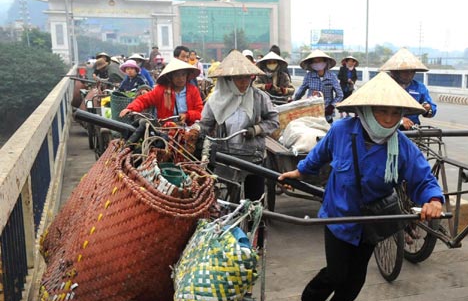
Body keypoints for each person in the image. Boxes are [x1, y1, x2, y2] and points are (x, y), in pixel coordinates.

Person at [278, 72, 444, 301]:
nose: (389, 120)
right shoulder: (342, 131)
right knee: (336, 273)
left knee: (356, 279)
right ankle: (311, 300)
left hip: (371, 220)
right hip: (338, 216)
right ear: (366, 110)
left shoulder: (401, 145)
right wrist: (299, 172)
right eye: (382, 111)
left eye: (395, 113)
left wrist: (433, 199)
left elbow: (422, 177)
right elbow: (319, 156)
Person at [199, 49, 279, 207]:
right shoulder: (216, 99)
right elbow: (205, 125)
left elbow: (274, 121)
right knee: (219, 202)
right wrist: (194, 133)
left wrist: (255, 130)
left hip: (252, 156)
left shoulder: (259, 97)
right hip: (225, 156)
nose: (244, 82)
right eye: (238, 78)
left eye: (246, 78)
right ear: (228, 79)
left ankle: (256, 228)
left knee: (254, 204)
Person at [119, 58, 203, 125]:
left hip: (188, 127)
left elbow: (199, 111)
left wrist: (187, 115)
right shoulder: (161, 90)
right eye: (177, 75)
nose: (181, 78)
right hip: (165, 127)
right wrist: (130, 109)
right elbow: (143, 100)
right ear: (170, 77)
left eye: (183, 75)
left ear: (187, 75)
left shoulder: (193, 90)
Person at [380, 48, 437, 130]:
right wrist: (400, 120)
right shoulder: (383, 86)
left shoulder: (419, 87)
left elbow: (431, 108)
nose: (409, 74)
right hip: (387, 129)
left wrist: (428, 108)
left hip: (412, 129)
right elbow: (375, 111)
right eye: (405, 71)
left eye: (412, 71)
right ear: (394, 72)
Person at [293, 49, 343, 124]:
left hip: (327, 113)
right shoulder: (308, 76)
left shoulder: (332, 76)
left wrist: (331, 106)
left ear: (325, 62)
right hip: (311, 112)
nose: (317, 63)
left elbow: (340, 95)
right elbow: (300, 92)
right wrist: (294, 102)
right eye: (315, 62)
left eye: (319, 61)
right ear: (311, 64)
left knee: (327, 133)